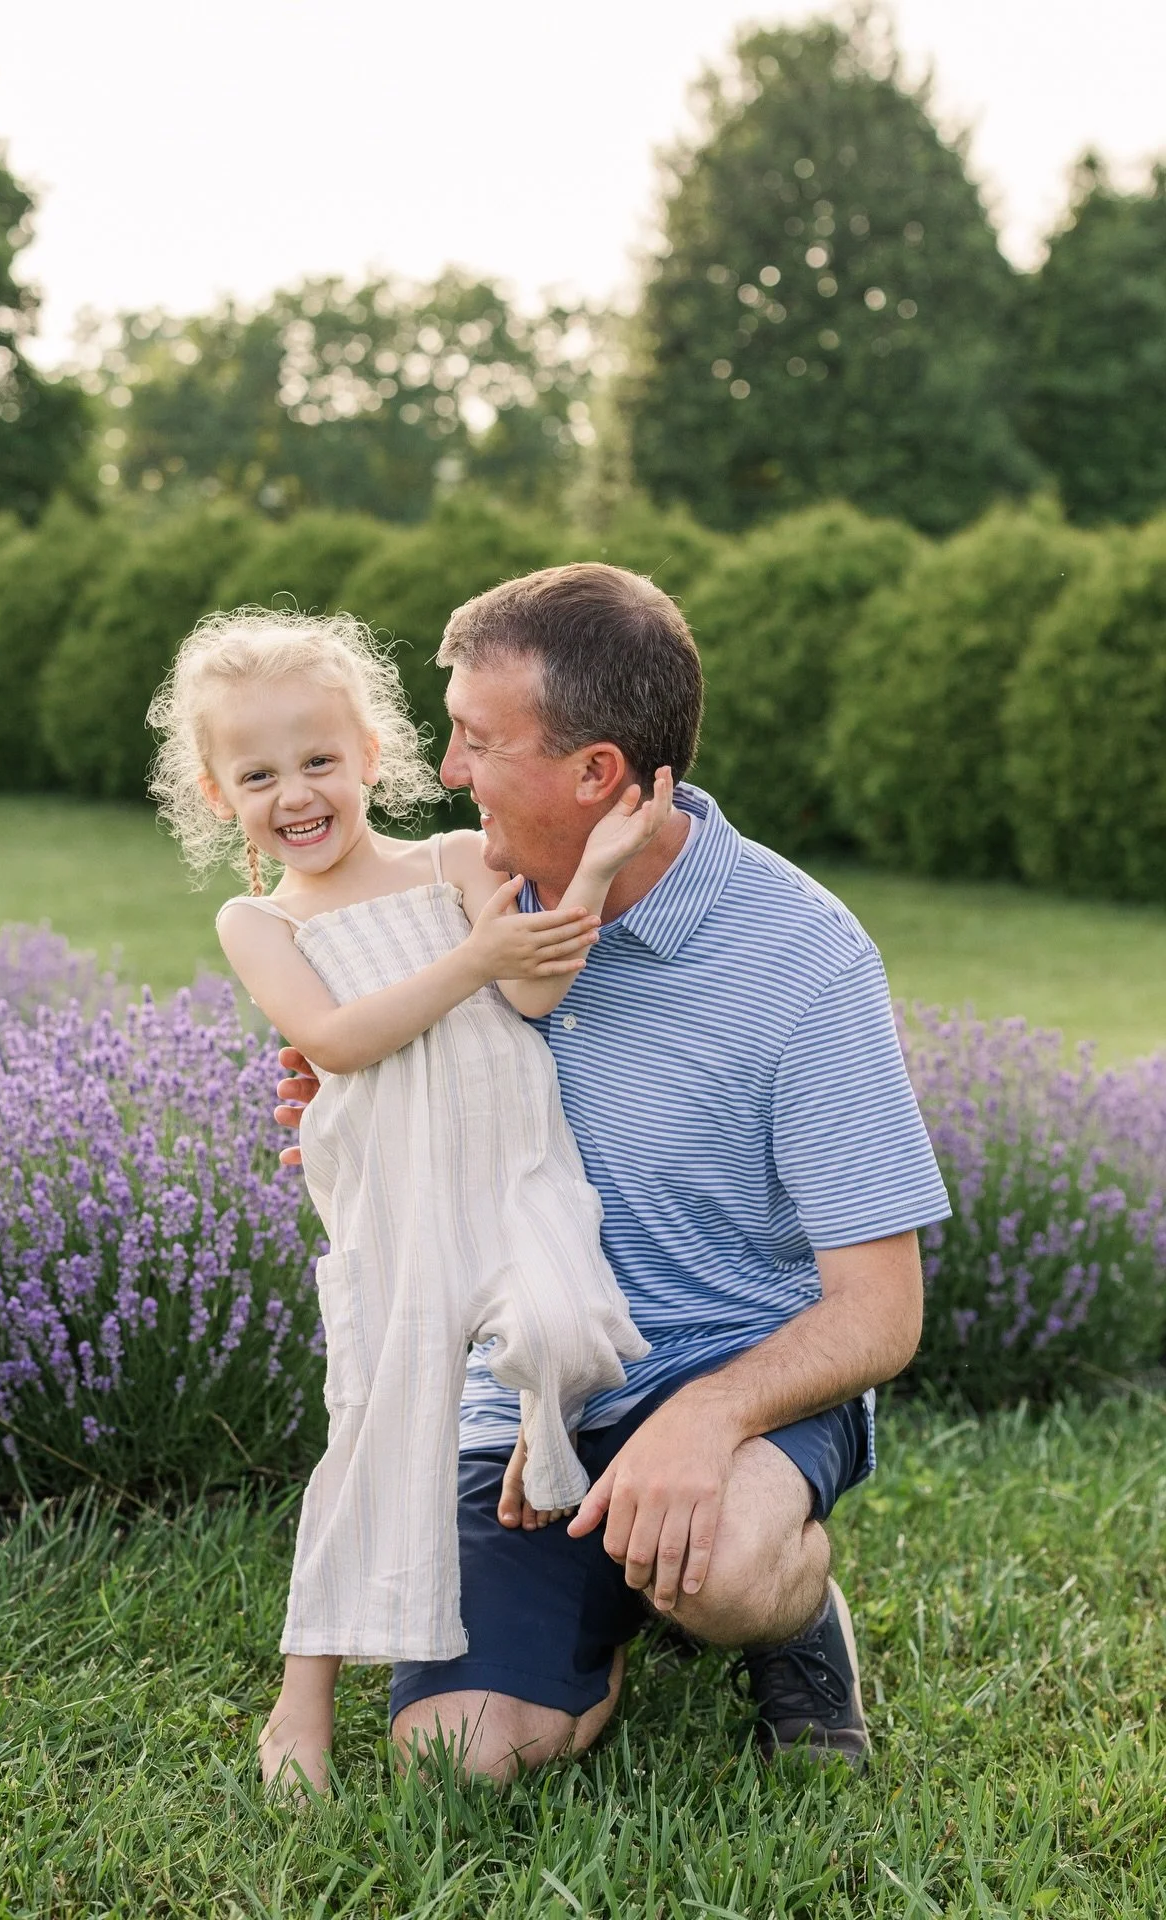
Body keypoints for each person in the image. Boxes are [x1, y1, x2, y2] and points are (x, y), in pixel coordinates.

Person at [274, 562, 951, 1779]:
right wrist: (356, 1115)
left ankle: (785, 1618)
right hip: (526, 1403)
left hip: (735, 1384)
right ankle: (617, 1595)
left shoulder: (801, 954)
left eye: (479, 741)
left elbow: (882, 1309)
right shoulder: (449, 918)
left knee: (730, 1562)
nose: (446, 773)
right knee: (456, 1759)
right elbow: (374, 1096)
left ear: (597, 775)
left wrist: (706, 1419)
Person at [146, 607, 666, 1794]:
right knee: (377, 1435)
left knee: (567, 1328)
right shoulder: (262, 921)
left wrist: (578, 875)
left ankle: (545, 1448)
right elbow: (336, 1035)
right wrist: (475, 960)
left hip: (514, 1170)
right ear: (219, 796)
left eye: (320, 759)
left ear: (372, 755)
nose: (297, 792)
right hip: (389, 1204)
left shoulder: (456, 866)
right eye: (259, 773)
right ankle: (302, 1703)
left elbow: (531, 1004)